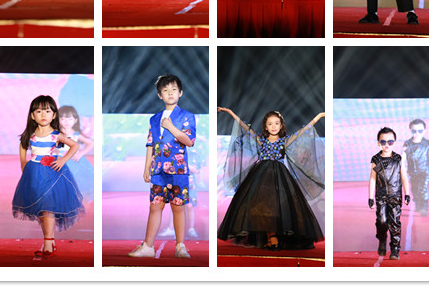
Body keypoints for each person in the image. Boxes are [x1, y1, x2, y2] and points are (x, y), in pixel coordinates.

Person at [217, 107, 324, 250]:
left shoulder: (285, 141)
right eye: (270, 124)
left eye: (276, 123)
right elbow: (244, 127)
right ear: (266, 127)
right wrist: (230, 113)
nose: (274, 126)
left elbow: (303, 131)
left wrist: (319, 116)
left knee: (276, 208)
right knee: (262, 207)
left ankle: (273, 239)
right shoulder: (261, 140)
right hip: (260, 177)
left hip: (280, 178)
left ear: (281, 125)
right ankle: (271, 238)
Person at [128, 75, 196, 259]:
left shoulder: (187, 116)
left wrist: (171, 127)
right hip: (158, 170)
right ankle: (148, 247)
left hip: (178, 169)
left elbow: (189, 141)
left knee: (178, 207)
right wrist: (146, 168)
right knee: (155, 207)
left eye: (174, 89)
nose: (170, 93)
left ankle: (180, 246)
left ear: (180, 93)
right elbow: (150, 144)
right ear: (160, 95)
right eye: (165, 90)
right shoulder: (154, 118)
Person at [12, 96, 85, 258]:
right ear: (32, 115)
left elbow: (74, 145)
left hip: (53, 174)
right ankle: (49, 241)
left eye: (47, 111)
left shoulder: (56, 135)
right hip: (34, 174)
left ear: (54, 115)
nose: (43, 114)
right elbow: (23, 146)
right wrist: (23, 164)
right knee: (41, 209)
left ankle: (48, 242)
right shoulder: (30, 134)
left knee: (48, 208)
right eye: (38, 111)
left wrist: (63, 160)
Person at [368, 127, 410, 260]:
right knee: (382, 221)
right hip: (381, 196)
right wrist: (370, 198)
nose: (386, 145)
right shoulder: (376, 159)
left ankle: (395, 249)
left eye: (390, 142)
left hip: (395, 196)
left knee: (394, 222)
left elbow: (404, 177)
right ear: (378, 143)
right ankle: (382, 239)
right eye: (383, 142)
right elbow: (373, 179)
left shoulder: (398, 159)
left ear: (394, 143)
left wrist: (407, 193)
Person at [58, 105, 94, 203]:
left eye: (70, 119)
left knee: (75, 180)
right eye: (63, 119)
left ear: (75, 120)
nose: (66, 122)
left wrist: (80, 154)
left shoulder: (75, 134)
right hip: (60, 160)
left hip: (73, 161)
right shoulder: (56, 133)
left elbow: (91, 143)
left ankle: (72, 200)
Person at [402, 119, 429, 217]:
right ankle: (417, 202)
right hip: (412, 172)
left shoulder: (427, 144)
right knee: (414, 189)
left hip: (424, 171)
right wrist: (402, 170)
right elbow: (402, 158)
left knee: (423, 188)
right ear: (410, 131)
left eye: (420, 131)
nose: (417, 134)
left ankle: (424, 207)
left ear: (424, 131)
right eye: (414, 131)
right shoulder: (407, 144)